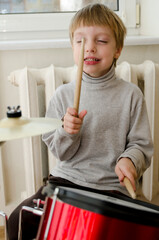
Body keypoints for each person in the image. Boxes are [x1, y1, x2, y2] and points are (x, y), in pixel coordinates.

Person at [8, 3, 153, 240]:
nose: (90, 48)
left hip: (111, 189)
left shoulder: (131, 95)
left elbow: (141, 144)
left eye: (102, 41)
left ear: (118, 49)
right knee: (19, 218)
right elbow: (61, 153)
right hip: (66, 182)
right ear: (73, 47)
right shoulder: (62, 95)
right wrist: (67, 132)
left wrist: (130, 160)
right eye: (80, 41)